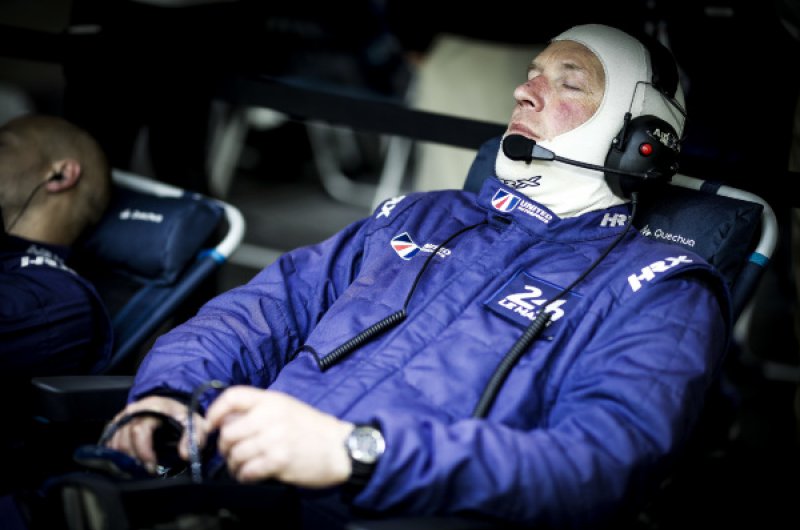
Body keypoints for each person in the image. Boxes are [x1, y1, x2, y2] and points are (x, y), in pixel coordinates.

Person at [103, 24, 729, 529]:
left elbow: (595, 468)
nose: (524, 91)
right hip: (222, 487)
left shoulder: (662, 289)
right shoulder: (422, 215)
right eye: (532, 73)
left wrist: (358, 453)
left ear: (638, 141)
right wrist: (171, 393)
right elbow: (260, 310)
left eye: (568, 83)